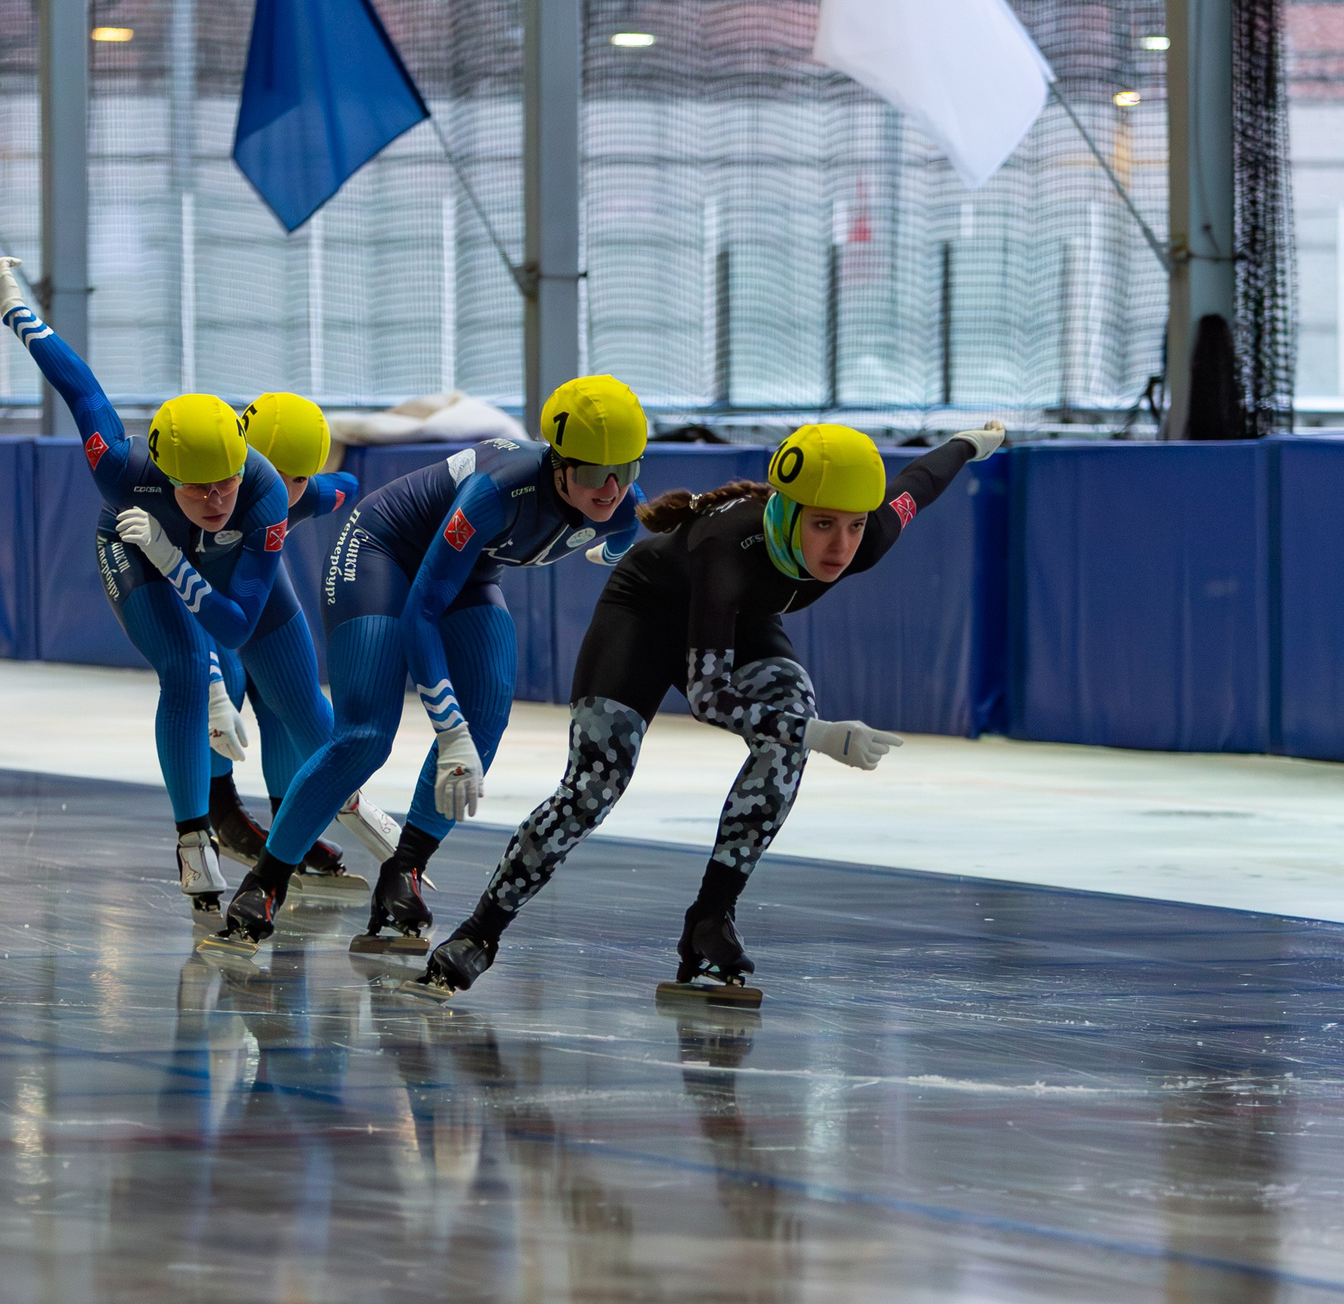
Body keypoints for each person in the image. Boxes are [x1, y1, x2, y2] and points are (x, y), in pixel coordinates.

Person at [408, 419, 1006, 1002]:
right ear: (789, 512)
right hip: (644, 622)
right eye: (823, 525)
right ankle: (478, 934)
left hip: (740, 624)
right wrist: (821, 737)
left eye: (854, 527)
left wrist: (967, 443)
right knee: (594, 785)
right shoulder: (727, 549)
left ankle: (710, 919)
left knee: (788, 717)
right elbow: (709, 696)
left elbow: (921, 482)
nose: (842, 546)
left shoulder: (870, 533)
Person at [215, 376, 652, 946]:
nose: (612, 488)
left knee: (489, 713)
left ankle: (404, 870)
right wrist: (447, 727)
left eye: (630, 468)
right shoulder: (499, 491)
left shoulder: (621, 506)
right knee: (366, 736)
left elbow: (624, 529)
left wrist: (612, 549)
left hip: (466, 575)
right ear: (560, 462)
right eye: (596, 473)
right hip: (381, 554)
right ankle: (267, 880)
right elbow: (422, 609)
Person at [0, 256, 337, 919]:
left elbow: (237, 624)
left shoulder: (264, 494)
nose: (215, 499)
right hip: (132, 540)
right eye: (199, 487)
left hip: (167, 549)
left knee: (290, 684)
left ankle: (325, 803)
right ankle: (192, 835)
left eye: (226, 483)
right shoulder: (120, 471)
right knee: (183, 672)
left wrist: (176, 554)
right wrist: (16, 308)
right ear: (166, 473)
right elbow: (79, 386)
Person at [205, 390, 399, 888]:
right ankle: (219, 812)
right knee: (218, 687)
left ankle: (290, 818)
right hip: (202, 605)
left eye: (298, 479)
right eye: (283, 476)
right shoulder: (202, 490)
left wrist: (314, 481)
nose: (287, 489)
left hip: (255, 600)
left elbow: (344, 486)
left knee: (283, 705)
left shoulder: (302, 493)